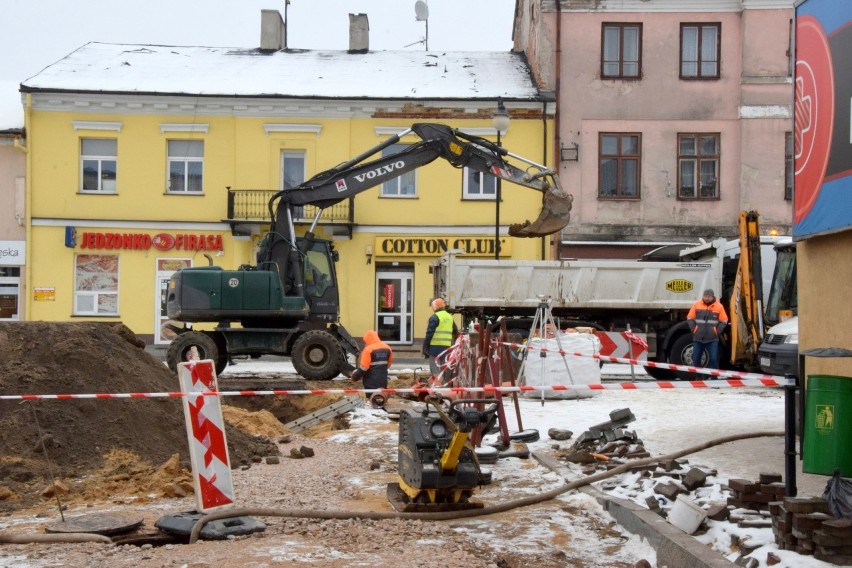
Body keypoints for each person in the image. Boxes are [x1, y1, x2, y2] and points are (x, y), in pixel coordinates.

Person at [686, 288, 729, 370]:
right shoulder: (696, 305)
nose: (707, 298)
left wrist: (716, 331)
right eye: (705, 296)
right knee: (695, 359)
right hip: (698, 338)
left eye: (709, 296)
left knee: (714, 359)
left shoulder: (719, 306)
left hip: (712, 339)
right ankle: (699, 376)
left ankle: (714, 377)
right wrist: (694, 330)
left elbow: (724, 320)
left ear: (713, 297)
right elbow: (690, 317)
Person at [422, 297, 458, 383]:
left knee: (434, 367)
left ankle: (437, 386)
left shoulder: (434, 317)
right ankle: (444, 385)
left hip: (435, 346)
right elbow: (455, 331)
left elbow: (429, 333)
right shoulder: (449, 317)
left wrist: (425, 346)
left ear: (434, 307)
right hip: (446, 347)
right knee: (444, 367)